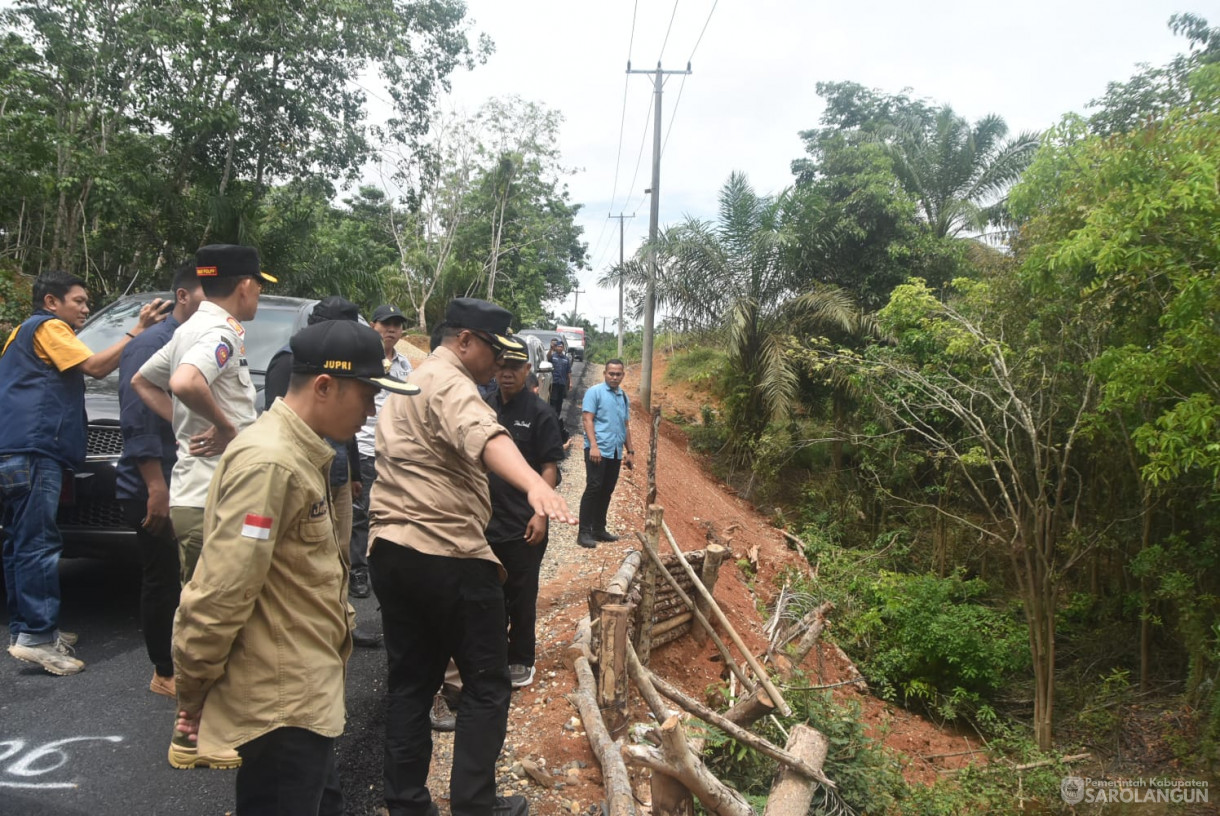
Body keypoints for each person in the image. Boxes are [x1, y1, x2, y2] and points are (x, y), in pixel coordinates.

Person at [171, 319, 417, 809]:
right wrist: (192, 686)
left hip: (303, 695)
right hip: (280, 707)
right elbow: (222, 590)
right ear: (325, 386)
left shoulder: (302, 454)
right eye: (367, 394)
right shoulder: (271, 464)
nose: (371, 410)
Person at [368, 297, 577, 816]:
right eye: (492, 351)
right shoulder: (452, 382)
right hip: (449, 553)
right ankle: (474, 807)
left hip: (393, 548)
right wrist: (534, 485)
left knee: (412, 684)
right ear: (465, 341)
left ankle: (407, 804)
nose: (498, 365)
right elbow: (484, 435)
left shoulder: (412, 379)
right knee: (486, 684)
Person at [1, 271, 165, 676]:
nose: (85, 307)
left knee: (20, 542)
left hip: (15, 449)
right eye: (78, 300)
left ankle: (27, 630)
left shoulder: (20, 333)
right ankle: (38, 638)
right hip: (36, 450)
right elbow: (94, 367)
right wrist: (138, 331)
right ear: (52, 302)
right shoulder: (49, 326)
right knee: (38, 543)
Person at [132, 244, 275, 585]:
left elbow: (144, 381)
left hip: (198, 495)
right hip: (215, 501)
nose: (259, 293)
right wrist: (223, 428)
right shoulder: (219, 332)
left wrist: (185, 422)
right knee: (214, 619)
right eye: (259, 285)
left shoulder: (188, 329)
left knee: (207, 614)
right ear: (244, 285)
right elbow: (184, 382)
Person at [263, 296, 381, 648]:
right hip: (308, 472)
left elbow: (348, 435)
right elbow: (227, 584)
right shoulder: (292, 362)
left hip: (338, 470)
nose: (370, 409)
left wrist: (356, 473)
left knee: (338, 551)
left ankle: (340, 619)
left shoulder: (342, 369)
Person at [116, 263, 205, 697]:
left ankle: (188, 662)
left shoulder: (202, 341)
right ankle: (164, 671)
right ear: (184, 297)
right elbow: (137, 420)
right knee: (163, 577)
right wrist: (156, 487)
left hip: (188, 479)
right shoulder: (154, 344)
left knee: (190, 578)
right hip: (158, 483)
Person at [485, 338, 564, 689]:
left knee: (521, 594)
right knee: (489, 594)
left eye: (514, 368)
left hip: (522, 523)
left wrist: (541, 513)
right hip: (485, 520)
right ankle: (492, 654)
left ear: (527, 370)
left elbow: (550, 468)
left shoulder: (539, 413)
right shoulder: (483, 406)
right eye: (501, 367)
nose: (506, 374)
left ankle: (521, 659)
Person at [350, 303, 412, 601]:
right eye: (386, 324)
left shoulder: (404, 365)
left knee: (390, 509)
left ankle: (385, 567)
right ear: (373, 326)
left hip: (393, 450)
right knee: (361, 513)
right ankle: (358, 570)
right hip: (363, 445)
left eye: (397, 325)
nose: (392, 329)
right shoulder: (363, 358)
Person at [577, 359, 634, 549]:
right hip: (598, 450)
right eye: (611, 373)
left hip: (615, 451)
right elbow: (587, 419)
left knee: (607, 490)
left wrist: (630, 451)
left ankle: (599, 529)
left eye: (618, 374)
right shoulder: (595, 392)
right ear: (605, 373)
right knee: (593, 487)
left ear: (623, 375)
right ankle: (584, 532)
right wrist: (593, 445)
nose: (615, 377)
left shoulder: (623, 397)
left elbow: (625, 425)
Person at [547, 338, 572, 420]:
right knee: (553, 400)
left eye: (561, 347)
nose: (560, 348)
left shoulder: (566, 359)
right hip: (553, 382)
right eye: (558, 346)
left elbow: (568, 371)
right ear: (556, 347)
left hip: (562, 383)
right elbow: (548, 358)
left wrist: (570, 383)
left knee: (560, 401)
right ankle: (552, 417)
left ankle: (557, 417)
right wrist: (551, 349)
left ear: (563, 348)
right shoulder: (552, 356)